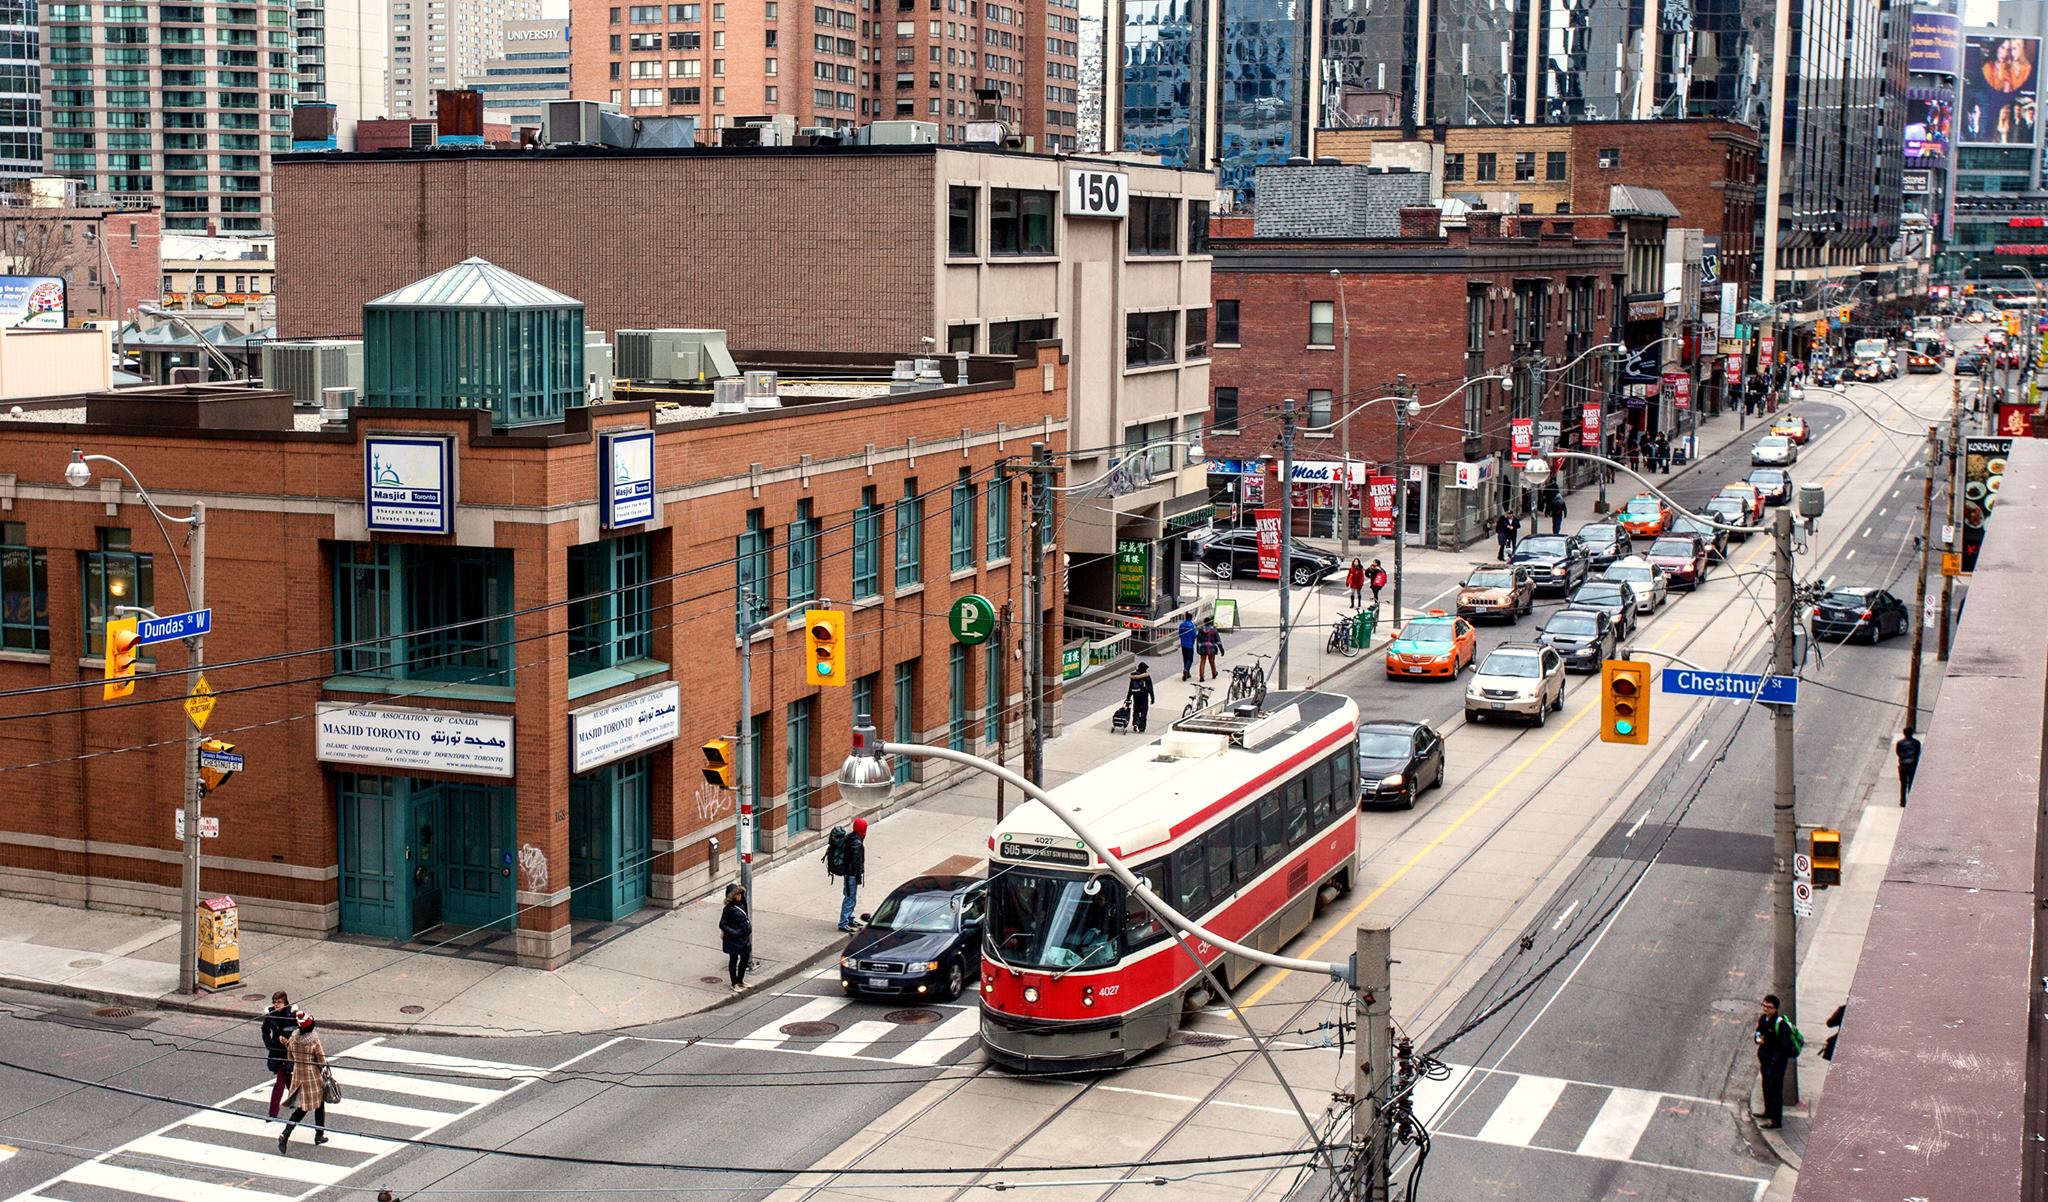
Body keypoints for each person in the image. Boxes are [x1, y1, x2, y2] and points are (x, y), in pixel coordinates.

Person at [277, 1012, 330, 1155]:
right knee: (314, 1106)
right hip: (312, 1076)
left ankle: (290, 1134)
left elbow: (290, 1056)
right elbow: (321, 1059)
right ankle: (313, 1134)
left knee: (307, 1106)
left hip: (298, 1075)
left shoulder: (294, 1037)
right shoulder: (313, 1040)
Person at [1754, 994, 1800, 1130]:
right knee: (1766, 1086)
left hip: (1776, 1063)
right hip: (1765, 1059)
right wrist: (1758, 1039)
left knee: (1775, 1090)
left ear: (1775, 1009)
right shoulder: (1763, 1019)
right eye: (1764, 1006)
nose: (1766, 1009)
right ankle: (1768, 1111)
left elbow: (1784, 1045)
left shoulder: (1781, 1024)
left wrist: (1774, 1060)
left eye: (1769, 1007)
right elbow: (1758, 1032)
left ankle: (1776, 1120)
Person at [262, 991, 296, 1120]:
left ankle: (273, 1113)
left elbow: (300, 1033)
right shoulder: (270, 1015)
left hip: (289, 1052)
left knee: (280, 1081)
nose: (276, 1005)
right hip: (276, 1050)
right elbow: (264, 1030)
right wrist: (269, 1044)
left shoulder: (292, 1015)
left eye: (279, 1002)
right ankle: (295, 1100)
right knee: (286, 1077)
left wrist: (289, 1042)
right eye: (275, 1002)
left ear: (285, 1002)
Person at [720, 884, 752, 993]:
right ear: (732, 896)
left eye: (740, 893)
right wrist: (735, 932)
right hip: (733, 939)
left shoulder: (743, 904)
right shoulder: (729, 909)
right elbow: (722, 924)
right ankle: (734, 983)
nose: (739, 896)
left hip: (744, 938)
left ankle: (740, 980)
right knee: (733, 960)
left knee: (745, 958)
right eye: (737, 894)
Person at [837, 817, 867, 931]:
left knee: (851, 897)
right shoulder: (857, 843)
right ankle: (843, 922)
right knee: (850, 899)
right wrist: (858, 875)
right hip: (852, 875)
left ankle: (849, 918)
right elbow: (855, 862)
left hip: (848, 874)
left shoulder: (851, 837)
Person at [1125, 663, 1156, 733]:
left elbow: (1130, 688)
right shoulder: (1146, 676)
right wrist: (1152, 698)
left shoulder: (1134, 676)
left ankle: (1136, 722)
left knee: (1136, 710)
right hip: (1144, 696)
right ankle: (1142, 727)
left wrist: (1128, 698)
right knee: (1144, 712)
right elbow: (1150, 687)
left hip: (1136, 696)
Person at [1895, 726, 1921, 806]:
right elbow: (1918, 752)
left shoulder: (1900, 743)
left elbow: (1898, 752)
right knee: (1911, 783)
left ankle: (1903, 801)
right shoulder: (1917, 742)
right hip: (1912, 764)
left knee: (1903, 784)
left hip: (1903, 764)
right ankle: (1910, 801)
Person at [1176, 614, 1198, 681]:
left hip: (1183, 644)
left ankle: (1187, 672)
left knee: (1185, 658)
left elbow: (1180, 634)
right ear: (1191, 618)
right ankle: (1186, 670)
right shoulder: (1192, 626)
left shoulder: (1181, 625)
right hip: (1190, 644)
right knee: (1190, 659)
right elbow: (1194, 635)